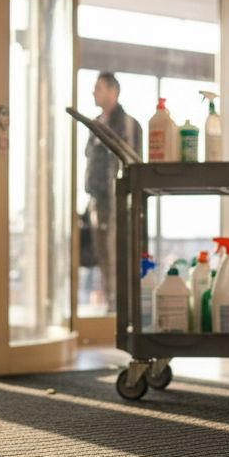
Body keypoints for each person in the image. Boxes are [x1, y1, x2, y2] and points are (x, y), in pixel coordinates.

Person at [85, 71, 142, 306]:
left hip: (119, 201)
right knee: (102, 255)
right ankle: (110, 301)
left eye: (98, 88)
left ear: (113, 91)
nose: (93, 93)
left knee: (118, 252)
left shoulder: (128, 125)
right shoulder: (95, 124)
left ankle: (121, 305)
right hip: (98, 199)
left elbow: (134, 163)